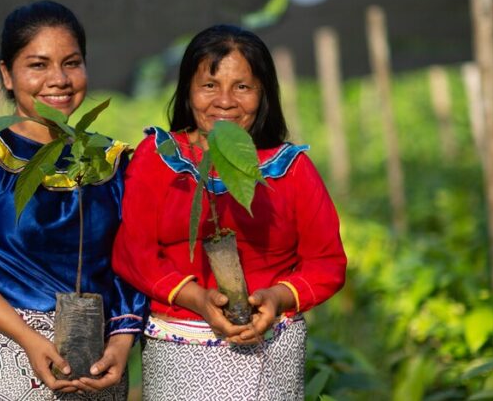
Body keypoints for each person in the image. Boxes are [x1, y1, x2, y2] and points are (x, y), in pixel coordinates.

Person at [112, 24, 347, 399]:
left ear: (263, 94)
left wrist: (276, 298)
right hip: (181, 349)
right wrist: (198, 299)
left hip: (270, 345)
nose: (225, 101)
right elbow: (133, 253)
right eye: (209, 85)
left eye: (243, 87)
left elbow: (326, 262)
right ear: (188, 92)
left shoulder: (291, 169)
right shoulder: (159, 158)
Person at [0, 0, 146, 400]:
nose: (58, 79)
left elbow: (131, 261)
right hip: (5, 351)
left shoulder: (108, 163)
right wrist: (28, 337)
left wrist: (120, 343)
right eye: (38, 65)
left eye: (72, 62)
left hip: (95, 364)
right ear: (7, 75)